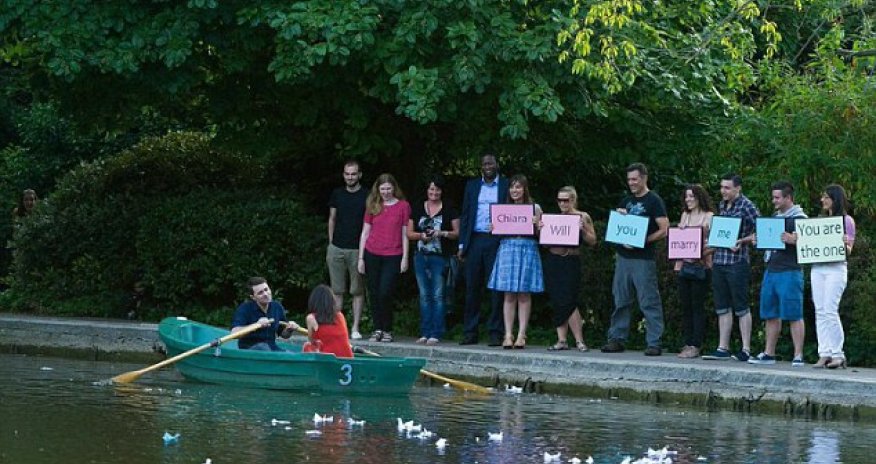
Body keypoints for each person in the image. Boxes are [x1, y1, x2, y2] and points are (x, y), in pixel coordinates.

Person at [601, 163, 669, 356]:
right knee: (620, 299)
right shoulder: (626, 201)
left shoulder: (654, 200)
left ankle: (654, 342)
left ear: (644, 178)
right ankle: (616, 339)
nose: (631, 183)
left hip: (643, 258)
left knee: (649, 300)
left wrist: (643, 241)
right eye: (629, 179)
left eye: (634, 179)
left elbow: (664, 229)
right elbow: (617, 227)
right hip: (623, 258)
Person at [749, 181, 808, 366]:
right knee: (770, 313)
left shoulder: (800, 219)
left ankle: (798, 355)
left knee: (793, 313)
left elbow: (811, 243)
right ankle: (769, 353)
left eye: (777, 197)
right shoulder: (774, 219)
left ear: (788, 198)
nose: (773, 200)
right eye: (773, 197)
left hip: (790, 271)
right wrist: (758, 240)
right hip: (771, 270)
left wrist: (794, 240)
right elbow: (768, 241)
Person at [701, 174, 759, 362]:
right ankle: (722, 347)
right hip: (719, 260)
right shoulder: (721, 205)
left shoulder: (746, 206)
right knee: (722, 306)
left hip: (737, 262)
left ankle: (746, 349)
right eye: (722, 187)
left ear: (737, 188)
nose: (723, 191)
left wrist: (742, 241)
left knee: (741, 305)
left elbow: (762, 229)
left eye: (727, 188)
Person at [457, 154, 510, 346]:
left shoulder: (506, 185)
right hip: (475, 240)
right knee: (472, 287)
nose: (488, 166)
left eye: (491, 163)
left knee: (496, 288)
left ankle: (496, 332)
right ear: (481, 166)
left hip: (496, 240)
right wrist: (462, 244)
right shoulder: (472, 186)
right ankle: (470, 332)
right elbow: (465, 215)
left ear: (497, 165)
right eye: (484, 163)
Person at [488, 175, 544, 349]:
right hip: (507, 249)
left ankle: (521, 335)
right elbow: (497, 231)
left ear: (525, 189)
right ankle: (508, 334)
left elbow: (542, 235)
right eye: (512, 187)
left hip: (527, 249)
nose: (515, 190)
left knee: (524, 293)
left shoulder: (535, 208)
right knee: (509, 294)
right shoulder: (503, 209)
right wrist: (493, 228)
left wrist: (538, 226)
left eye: (518, 187)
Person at [407, 175, 460, 345]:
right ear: (427, 190)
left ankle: (436, 332)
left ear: (441, 191)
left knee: (438, 295)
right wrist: (422, 236)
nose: (434, 192)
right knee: (424, 295)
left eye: (437, 189)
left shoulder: (449, 208)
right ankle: (425, 331)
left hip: (440, 257)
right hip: (421, 256)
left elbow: (457, 232)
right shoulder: (417, 207)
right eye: (431, 189)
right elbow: (409, 233)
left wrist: (441, 233)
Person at [358, 173, 410, 343]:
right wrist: (361, 258)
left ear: (394, 188)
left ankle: (387, 329)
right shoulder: (373, 205)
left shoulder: (403, 206)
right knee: (373, 292)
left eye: (389, 188)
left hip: (393, 254)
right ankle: (377, 328)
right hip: (372, 252)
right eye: (383, 189)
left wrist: (405, 258)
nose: (386, 192)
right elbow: (365, 232)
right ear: (378, 189)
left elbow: (405, 234)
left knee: (385, 292)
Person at [544, 186, 596, 352]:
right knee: (557, 299)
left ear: (573, 200)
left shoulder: (582, 216)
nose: (562, 203)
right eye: (559, 200)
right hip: (554, 261)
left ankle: (580, 340)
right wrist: (540, 228)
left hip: (571, 261)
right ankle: (562, 340)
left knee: (569, 300)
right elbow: (545, 242)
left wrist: (582, 229)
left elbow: (593, 240)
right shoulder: (554, 218)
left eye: (565, 200)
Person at [811, 185, 855, 369]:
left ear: (834, 199)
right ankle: (825, 352)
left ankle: (838, 353)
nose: (822, 200)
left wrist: (845, 243)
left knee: (830, 309)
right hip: (818, 268)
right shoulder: (820, 221)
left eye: (826, 197)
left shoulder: (847, 221)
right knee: (820, 310)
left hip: (836, 268)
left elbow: (849, 251)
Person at [327, 160, 368, 340]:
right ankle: (338, 328)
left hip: (357, 249)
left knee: (357, 290)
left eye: (353, 174)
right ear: (343, 175)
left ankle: (355, 328)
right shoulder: (337, 193)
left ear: (359, 175)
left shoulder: (367, 195)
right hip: (336, 247)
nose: (350, 177)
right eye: (347, 174)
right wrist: (331, 242)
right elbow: (332, 219)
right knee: (337, 290)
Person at [673, 185, 715, 358]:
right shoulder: (685, 216)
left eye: (691, 196)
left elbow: (715, 242)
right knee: (686, 306)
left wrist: (701, 252)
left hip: (701, 265)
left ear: (699, 197)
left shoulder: (709, 216)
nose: (688, 199)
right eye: (686, 197)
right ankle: (687, 342)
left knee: (697, 306)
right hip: (685, 265)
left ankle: (696, 344)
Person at [231, 277, 299, 351]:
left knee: (289, 354)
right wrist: (256, 325)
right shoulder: (245, 308)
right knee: (262, 347)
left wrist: (289, 329)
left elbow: (284, 335)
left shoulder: (277, 307)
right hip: (250, 350)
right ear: (253, 297)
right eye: (260, 293)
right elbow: (234, 333)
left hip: (272, 348)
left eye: (266, 290)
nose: (265, 294)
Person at [303, 284, 354, 358]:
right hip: (348, 357)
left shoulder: (311, 318)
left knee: (307, 346)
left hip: (329, 358)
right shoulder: (340, 315)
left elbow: (312, 341)